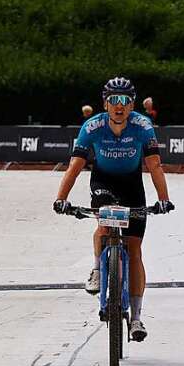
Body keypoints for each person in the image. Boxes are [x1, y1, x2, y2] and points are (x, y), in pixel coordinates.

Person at [53, 77, 174, 342]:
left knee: (135, 248)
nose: (119, 106)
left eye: (125, 101)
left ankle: (137, 318)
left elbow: (154, 165)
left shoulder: (143, 126)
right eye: (114, 100)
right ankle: (97, 269)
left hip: (132, 185)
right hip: (103, 182)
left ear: (132, 104)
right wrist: (61, 198)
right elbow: (74, 166)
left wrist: (164, 198)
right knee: (104, 224)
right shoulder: (92, 126)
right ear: (105, 103)